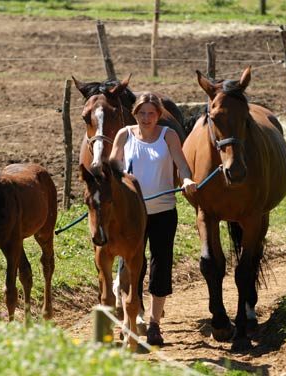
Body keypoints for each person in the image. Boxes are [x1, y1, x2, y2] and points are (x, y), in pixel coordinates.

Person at [110, 92, 197, 346]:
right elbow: (113, 166)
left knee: (161, 266)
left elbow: (182, 164)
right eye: (141, 113)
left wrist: (187, 179)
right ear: (134, 114)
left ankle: (155, 323)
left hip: (163, 211)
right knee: (134, 266)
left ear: (159, 115)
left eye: (151, 113)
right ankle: (132, 318)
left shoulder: (168, 135)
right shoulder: (124, 135)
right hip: (132, 213)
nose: (146, 118)